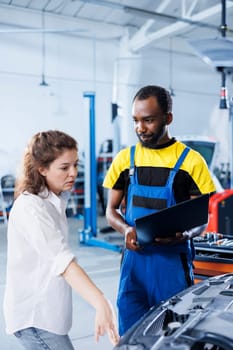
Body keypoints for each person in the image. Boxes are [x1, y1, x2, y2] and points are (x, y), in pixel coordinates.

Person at [103, 85, 216, 336]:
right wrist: (125, 229)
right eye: (136, 121)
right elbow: (111, 211)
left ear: (168, 118)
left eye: (148, 120)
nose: (140, 128)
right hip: (134, 266)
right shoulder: (125, 159)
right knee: (132, 335)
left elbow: (201, 219)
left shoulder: (191, 161)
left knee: (173, 335)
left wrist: (185, 235)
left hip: (171, 266)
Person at [3, 130, 119, 350]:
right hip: (35, 318)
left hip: (48, 314)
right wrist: (101, 302)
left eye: (75, 164)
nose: (73, 173)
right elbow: (63, 262)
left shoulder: (55, 200)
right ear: (42, 169)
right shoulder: (32, 208)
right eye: (64, 168)